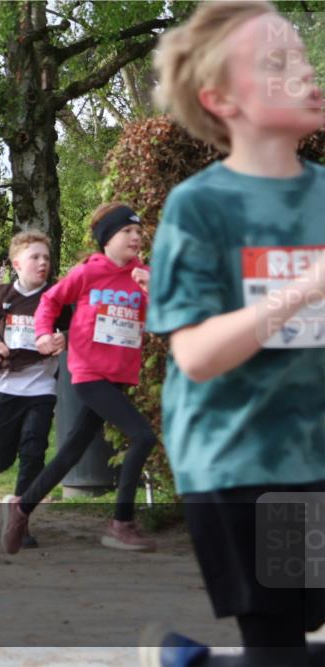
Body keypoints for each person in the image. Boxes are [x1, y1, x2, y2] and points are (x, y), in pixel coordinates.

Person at [139, 4, 325, 666]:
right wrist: (307, 285)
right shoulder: (201, 207)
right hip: (244, 460)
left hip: (315, 454)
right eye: (277, 63)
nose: (304, 70)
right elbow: (195, 352)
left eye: (301, 56)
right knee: (278, 643)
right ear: (221, 98)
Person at [0, 203, 156, 554]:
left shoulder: (143, 275)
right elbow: (50, 301)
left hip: (118, 376)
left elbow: (165, 318)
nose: (136, 236)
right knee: (142, 436)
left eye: (138, 231)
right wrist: (43, 333)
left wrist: (154, 289)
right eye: (127, 231)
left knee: (70, 453)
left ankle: (22, 508)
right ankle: (121, 523)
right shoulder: (89, 272)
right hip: (88, 373)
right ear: (107, 240)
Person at [0, 231, 70, 550]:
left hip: (42, 386)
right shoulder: (1, 296)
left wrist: (64, 337)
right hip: (5, 387)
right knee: (2, 456)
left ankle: (20, 520)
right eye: (35, 257)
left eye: (46, 257)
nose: (43, 263)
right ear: (17, 264)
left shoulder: (56, 297)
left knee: (33, 452)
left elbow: (81, 324)